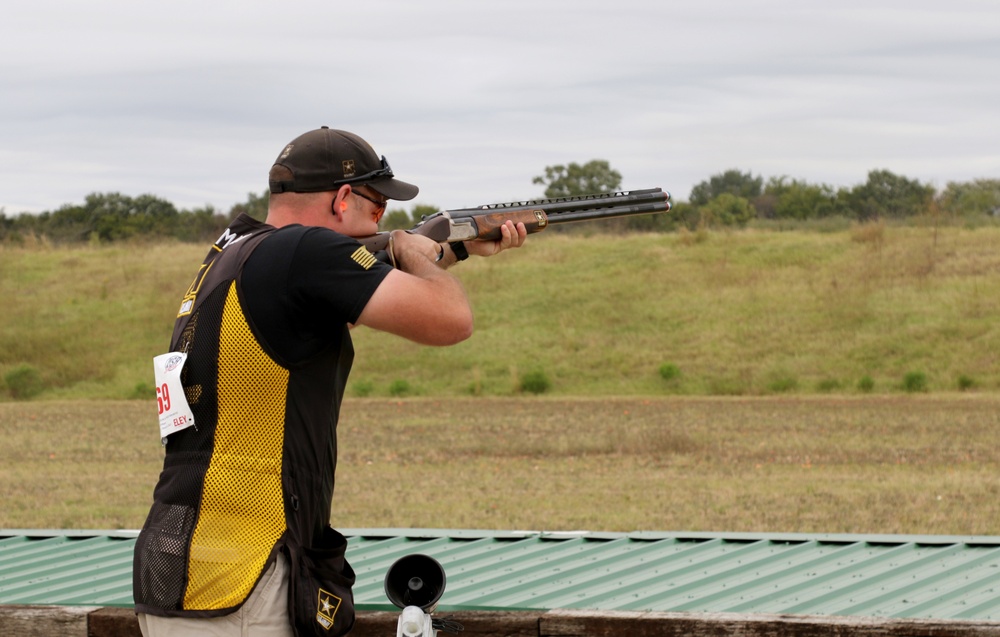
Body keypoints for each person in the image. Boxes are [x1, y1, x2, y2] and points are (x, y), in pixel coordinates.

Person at [133, 126, 527, 637]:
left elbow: (352, 297)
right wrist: (412, 253)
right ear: (343, 199)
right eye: (378, 207)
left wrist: (457, 250)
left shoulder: (237, 254)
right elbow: (451, 319)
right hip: (249, 580)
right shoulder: (303, 252)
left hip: (187, 570)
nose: (381, 220)